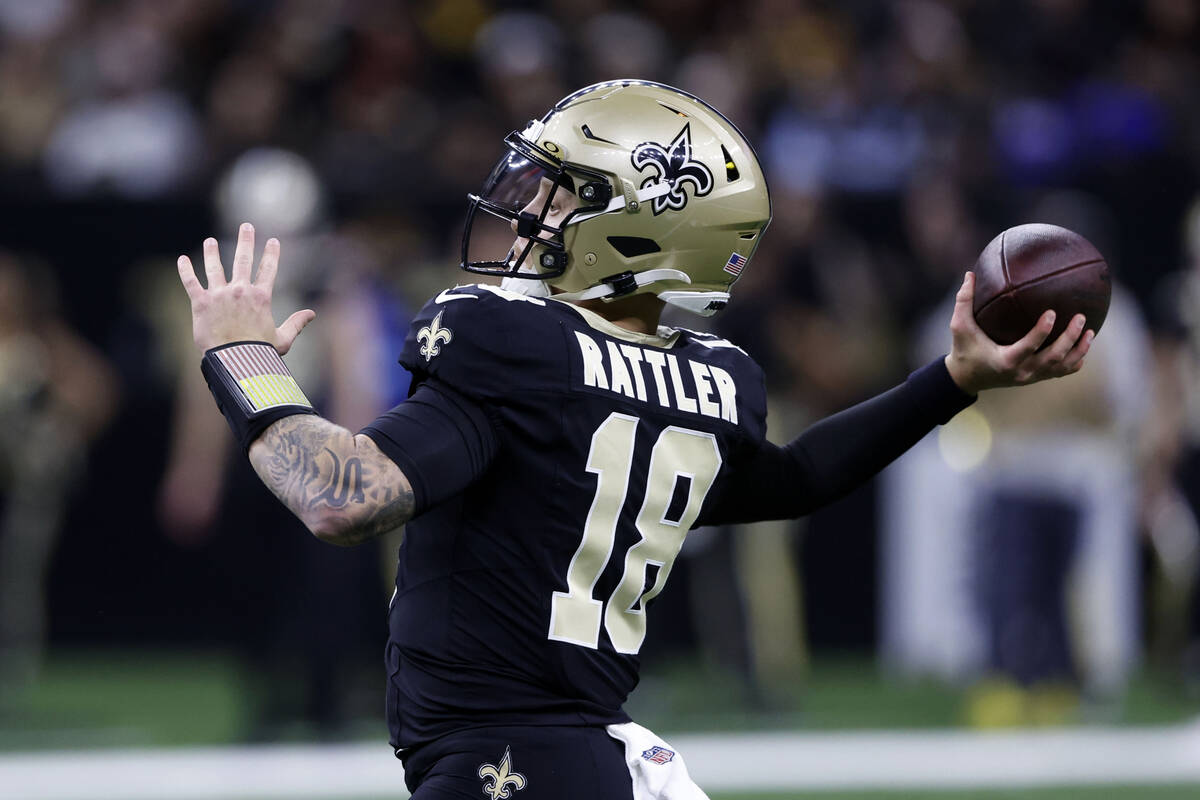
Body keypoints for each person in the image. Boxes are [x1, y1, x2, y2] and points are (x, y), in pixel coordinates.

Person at [175, 81, 1093, 800]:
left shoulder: (510, 342)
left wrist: (241, 360)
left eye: (566, 192)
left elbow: (343, 498)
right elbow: (797, 478)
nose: (530, 210)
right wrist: (951, 382)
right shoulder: (710, 378)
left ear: (639, 227)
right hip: (595, 758)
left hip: (509, 761)